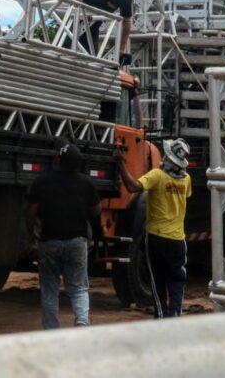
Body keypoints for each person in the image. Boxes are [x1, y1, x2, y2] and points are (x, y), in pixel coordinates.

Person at [114, 138, 192, 318]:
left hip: (156, 239)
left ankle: (161, 317)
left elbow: (133, 186)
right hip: (178, 240)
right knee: (177, 281)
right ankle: (175, 317)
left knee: (157, 281)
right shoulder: (186, 180)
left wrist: (121, 164)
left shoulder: (157, 176)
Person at [27, 143, 101, 329]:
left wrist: (32, 236)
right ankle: (82, 322)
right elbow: (96, 211)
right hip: (77, 242)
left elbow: (31, 212)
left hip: (49, 241)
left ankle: (52, 330)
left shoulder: (41, 182)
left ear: (58, 160)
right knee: (78, 288)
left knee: (50, 289)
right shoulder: (87, 183)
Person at [70, 0, 135, 64]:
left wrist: (121, 49)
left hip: (93, 30)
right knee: (64, 51)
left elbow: (127, 23)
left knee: (91, 63)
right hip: (74, 25)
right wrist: (84, 12)